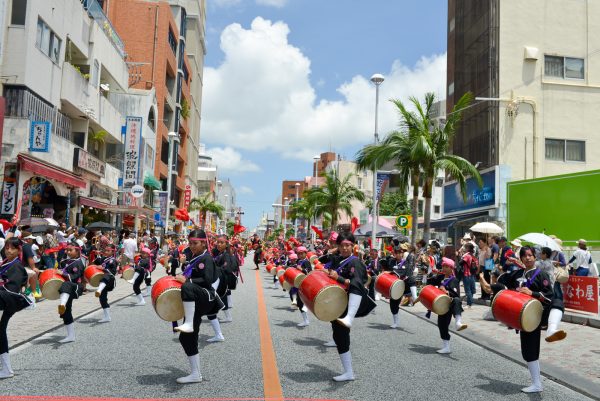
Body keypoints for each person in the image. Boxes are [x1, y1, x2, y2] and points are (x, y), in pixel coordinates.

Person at [479, 246, 556, 393]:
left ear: (535, 257)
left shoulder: (542, 275)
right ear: (521, 259)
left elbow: (549, 297)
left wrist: (532, 292)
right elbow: (501, 282)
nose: (528, 258)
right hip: (520, 317)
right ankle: (536, 382)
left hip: (533, 317)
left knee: (531, 349)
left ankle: (537, 384)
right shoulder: (517, 274)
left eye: (530, 255)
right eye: (525, 256)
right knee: (527, 350)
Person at [173, 229, 224, 383]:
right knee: (186, 338)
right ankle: (196, 374)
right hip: (196, 299)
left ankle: (188, 322)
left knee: (187, 287)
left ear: (203, 243)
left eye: (195, 243)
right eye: (190, 243)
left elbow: (207, 280)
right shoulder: (194, 257)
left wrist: (187, 282)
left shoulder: (206, 258)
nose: (192, 246)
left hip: (206, 297)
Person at [327, 231, 375, 381]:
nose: (345, 248)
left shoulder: (356, 262)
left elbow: (357, 284)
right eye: (342, 245)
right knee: (337, 334)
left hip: (348, 304)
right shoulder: (337, 260)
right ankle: (348, 372)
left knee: (341, 335)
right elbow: (326, 261)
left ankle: (349, 373)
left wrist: (339, 277)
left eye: (348, 245)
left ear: (353, 246)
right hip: (338, 302)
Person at [0, 238, 34, 379]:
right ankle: (6, 369)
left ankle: (6, 369)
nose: (8, 250)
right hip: (4, 299)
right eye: (7, 248)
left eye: (12, 248)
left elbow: (12, 288)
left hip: (8, 300)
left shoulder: (17, 266)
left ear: (19, 250)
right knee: (0, 332)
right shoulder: (7, 263)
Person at [432, 256, 467, 354]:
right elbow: (429, 283)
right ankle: (446, 347)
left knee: (456, 300)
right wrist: (432, 275)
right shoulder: (440, 277)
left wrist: (446, 291)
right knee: (442, 325)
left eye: (447, 266)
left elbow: (456, 294)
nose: (444, 268)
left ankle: (458, 322)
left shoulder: (454, 280)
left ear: (451, 269)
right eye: (444, 266)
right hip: (442, 304)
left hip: (451, 303)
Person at [535, 247, 567, 342]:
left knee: (550, 304)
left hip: (543, 289)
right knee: (553, 303)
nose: (540, 255)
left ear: (545, 254)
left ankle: (548, 327)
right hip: (550, 287)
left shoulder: (541, 263)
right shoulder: (551, 262)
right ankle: (548, 326)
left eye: (541, 253)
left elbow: (536, 264)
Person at [57, 241, 86, 343]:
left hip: (76, 287)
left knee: (66, 284)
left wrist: (63, 274)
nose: (68, 252)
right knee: (66, 312)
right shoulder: (65, 261)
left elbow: (74, 278)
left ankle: (62, 304)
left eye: (70, 250)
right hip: (67, 289)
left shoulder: (78, 263)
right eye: (67, 250)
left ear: (77, 251)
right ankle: (71, 336)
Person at [93, 243, 118, 323]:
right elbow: (96, 262)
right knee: (102, 299)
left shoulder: (113, 260)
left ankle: (99, 290)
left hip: (110, 280)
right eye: (105, 250)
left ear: (112, 252)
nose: (106, 252)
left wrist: (103, 269)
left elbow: (113, 272)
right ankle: (107, 317)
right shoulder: (103, 258)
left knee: (106, 275)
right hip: (103, 282)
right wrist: (97, 255)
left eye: (108, 251)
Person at [294, 246, 312, 327]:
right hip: (299, 283)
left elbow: (309, 272)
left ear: (305, 253)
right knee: (299, 303)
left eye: (302, 253)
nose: (300, 255)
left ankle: (306, 320)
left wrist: (301, 269)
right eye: (298, 254)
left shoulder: (306, 262)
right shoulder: (298, 261)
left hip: (305, 283)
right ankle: (305, 320)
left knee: (302, 302)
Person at [459, 243, 478, 309]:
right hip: (472, 275)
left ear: (467, 248)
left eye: (465, 247)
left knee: (468, 290)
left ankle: (469, 303)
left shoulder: (466, 256)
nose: (464, 248)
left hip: (466, 274)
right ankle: (470, 304)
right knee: (471, 290)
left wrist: (460, 256)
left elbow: (460, 263)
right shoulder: (473, 256)